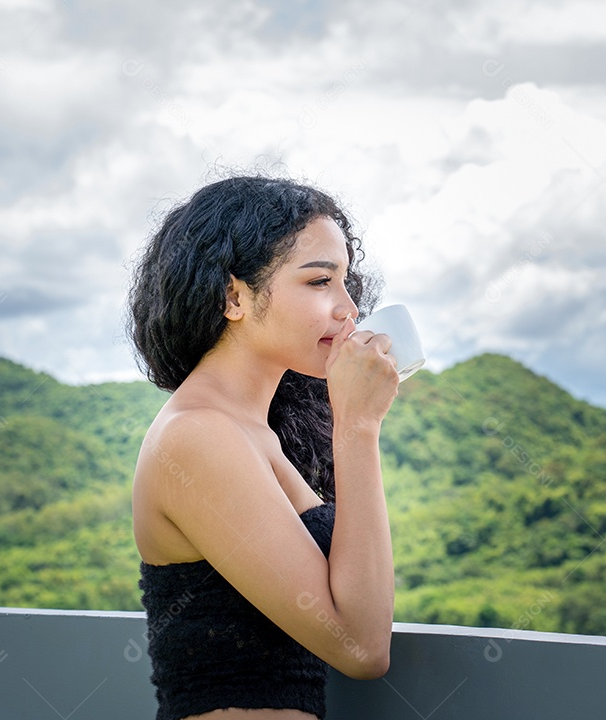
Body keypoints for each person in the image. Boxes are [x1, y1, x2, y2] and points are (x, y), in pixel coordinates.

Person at [127, 174, 399, 720]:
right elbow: (361, 648)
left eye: (347, 282)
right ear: (234, 296)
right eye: (320, 282)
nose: (348, 308)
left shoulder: (251, 431)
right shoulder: (198, 436)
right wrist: (358, 427)